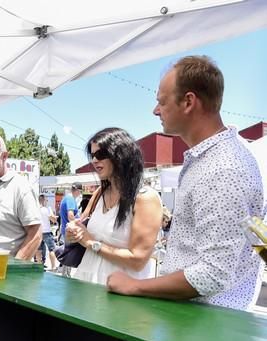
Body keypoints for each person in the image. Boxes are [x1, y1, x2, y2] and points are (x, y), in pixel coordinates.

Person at [107, 55, 264, 310]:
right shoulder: (212, 159)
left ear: (189, 101)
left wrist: (134, 285)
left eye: (162, 102)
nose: (155, 110)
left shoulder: (223, 168)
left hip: (208, 327)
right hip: (198, 319)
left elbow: (212, 274)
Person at [66, 128, 163, 285]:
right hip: (86, 286)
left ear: (121, 155)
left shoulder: (145, 198)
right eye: (92, 155)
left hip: (120, 293)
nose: (94, 160)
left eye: (101, 154)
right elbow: (81, 230)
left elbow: (138, 261)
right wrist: (73, 233)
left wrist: (91, 243)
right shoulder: (99, 194)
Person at [35, 194, 58, 270]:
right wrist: (54, 217)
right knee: (51, 249)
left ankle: (38, 266)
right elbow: (53, 220)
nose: (47, 202)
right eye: (47, 200)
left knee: (38, 249)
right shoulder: (46, 209)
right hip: (47, 232)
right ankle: (53, 266)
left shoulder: (36, 209)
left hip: (38, 231)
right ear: (44, 200)